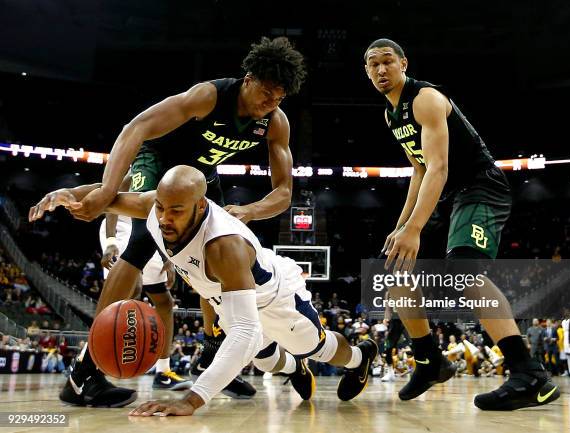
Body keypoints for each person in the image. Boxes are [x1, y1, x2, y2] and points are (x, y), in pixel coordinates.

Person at [32, 36, 306, 408]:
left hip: (200, 178)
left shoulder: (275, 123)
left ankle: (212, 352)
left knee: (218, 261)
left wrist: (251, 210)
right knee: (142, 242)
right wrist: (109, 187)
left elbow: (284, 193)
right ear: (248, 78)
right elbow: (136, 128)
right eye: (266, 92)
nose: (270, 103)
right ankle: (85, 374)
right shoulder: (208, 96)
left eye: (279, 97)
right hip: (157, 162)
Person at [29, 165, 378, 416]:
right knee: (263, 356)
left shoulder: (223, 246)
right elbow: (110, 196)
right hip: (225, 296)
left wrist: (193, 399)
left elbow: (244, 329)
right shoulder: (157, 207)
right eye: (162, 207)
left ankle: (362, 356)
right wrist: (67, 194)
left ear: (199, 207)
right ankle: (293, 369)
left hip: (273, 299)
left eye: (176, 211)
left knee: (315, 347)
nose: (164, 218)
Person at [363, 38, 560, 410]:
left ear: (404, 63)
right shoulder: (391, 115)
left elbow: (439, 167)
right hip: (446, 195)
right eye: (373, 65)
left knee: (463, 272)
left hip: (479, 186)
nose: (381, 70)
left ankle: (529, 374)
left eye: (387, 61)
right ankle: (429, 361)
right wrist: (402, 226)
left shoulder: (426, 99)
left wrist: (416, 229)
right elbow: (419, 170)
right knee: (394, 271)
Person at [99, 174, 188, 390]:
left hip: (148, 234)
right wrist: (110, 242)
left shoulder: (170, 178)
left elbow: (162, 220)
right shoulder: (137, 170)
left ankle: (163, 372)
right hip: (120, 229)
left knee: (165, 303)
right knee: (133, 289)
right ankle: (93, 365)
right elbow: (110, 204)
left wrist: (169, 257)